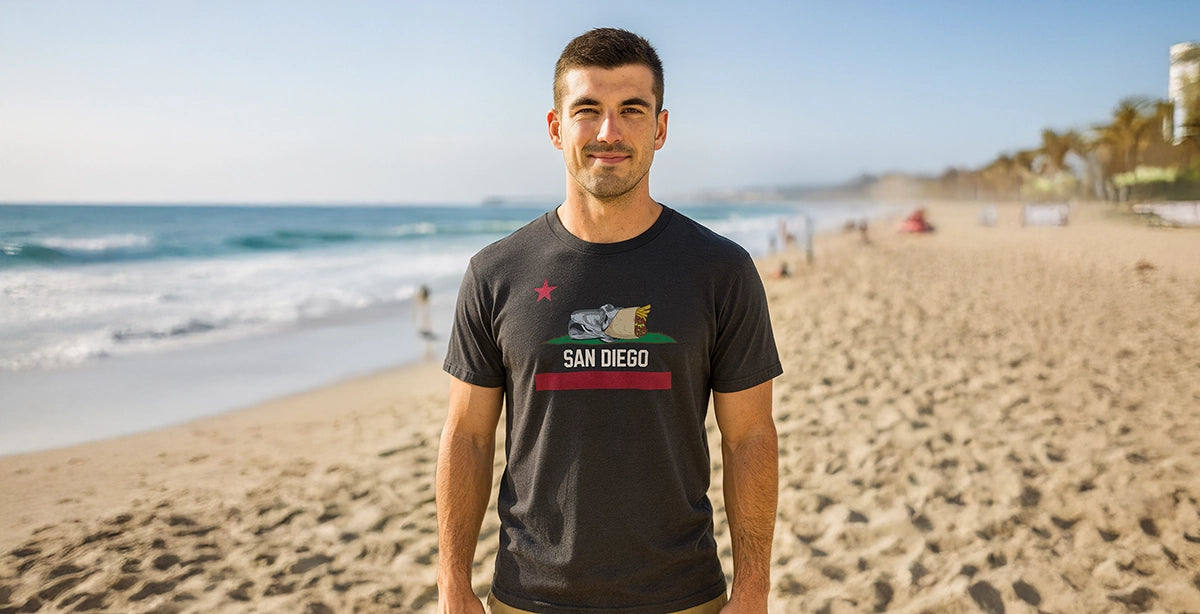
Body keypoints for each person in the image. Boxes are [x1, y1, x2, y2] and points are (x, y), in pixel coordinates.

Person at [436, 28, 782, 614]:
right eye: (588, 110)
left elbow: (750, 436)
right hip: (529, 596)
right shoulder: (496, 272)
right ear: (556, 128)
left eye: (631, 110)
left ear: (660, 129)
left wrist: (754, 587)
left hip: (682, 595)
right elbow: (467, 434)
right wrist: (451, 581)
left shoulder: (720, 270)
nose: (608, 132)